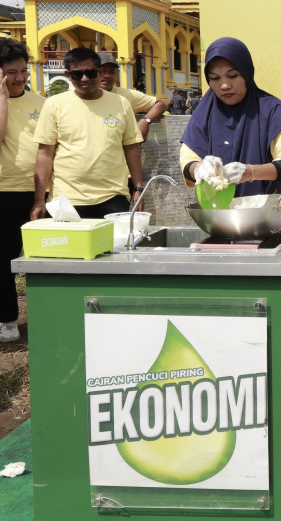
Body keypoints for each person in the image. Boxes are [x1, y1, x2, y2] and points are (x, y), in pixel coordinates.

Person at [31, 47, 144, 220]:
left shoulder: (121, 103)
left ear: (99, 72)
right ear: (68, 75)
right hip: (67, 199)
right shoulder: (54, 104)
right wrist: (39, 199)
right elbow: (45, 153)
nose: (84, 79)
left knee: (113, 247)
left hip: (113, 196)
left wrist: (138, 188)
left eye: (90, 73)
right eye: (77, 74)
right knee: (68, 247)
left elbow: (131, 147)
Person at [180, 37, 281, 196]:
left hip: (266, 213)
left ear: (246, 73)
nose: (224, 85)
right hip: (216, 212)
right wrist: (199, 168)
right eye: (215, 78)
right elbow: (188, 160)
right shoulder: (204, 112)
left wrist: (250, 172)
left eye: (232, 75)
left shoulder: (272, 110)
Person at [0, 39, 44, 343]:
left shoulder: (41, 103)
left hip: (39, 193)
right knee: (4, 261)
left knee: (43, 258)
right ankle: (7, 319)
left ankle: (47, 314)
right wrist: (1, 98)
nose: (19, 77)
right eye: (11, 72)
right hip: (4, 192)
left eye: (22, 71)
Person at [97, 53, 168, 140]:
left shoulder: (127, 95)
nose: (107, 76)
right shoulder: (78, 96)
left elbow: (161, 104)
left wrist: (145, 121)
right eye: (102, 71)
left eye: (112, 72)